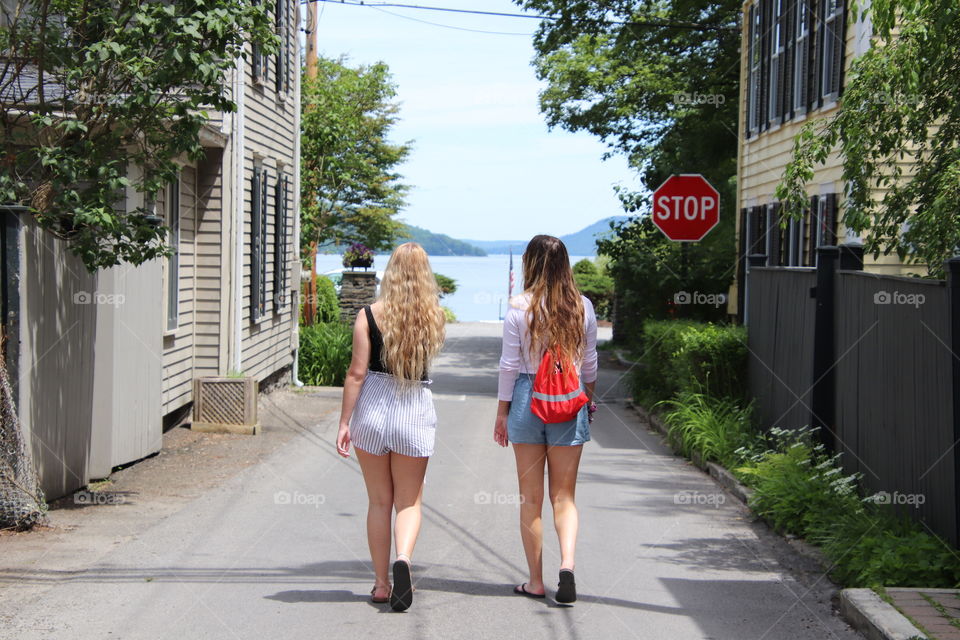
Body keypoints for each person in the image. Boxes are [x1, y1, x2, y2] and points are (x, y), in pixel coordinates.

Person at [336, 242, 446, 612]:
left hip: (372, 410)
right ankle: (404, 559)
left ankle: (382, 584)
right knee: (409, 502)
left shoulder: (368, 315)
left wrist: (344, 422)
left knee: (379, 501)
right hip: (413, 407)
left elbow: (356, 374)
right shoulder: (435, 317)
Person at [494, 234, 598, 605]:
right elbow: (589, 364)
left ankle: (536, 581)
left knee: (530, 498)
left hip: (526, 398)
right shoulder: (583, 307)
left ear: (530, 264)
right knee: (564, 496)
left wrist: (502, 413)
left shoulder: (518, 307)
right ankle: (566, 565)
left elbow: (508, 365)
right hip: (568, 400)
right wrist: (590, 397)